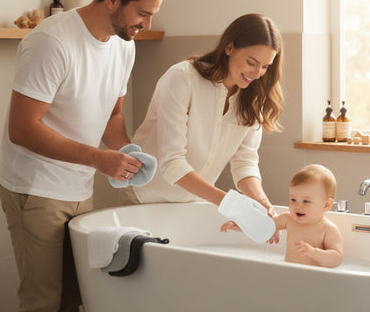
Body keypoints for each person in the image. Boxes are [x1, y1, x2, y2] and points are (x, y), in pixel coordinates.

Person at [0, 0, 173, 312]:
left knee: (73, 301)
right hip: (36, 187)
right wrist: (99, 159)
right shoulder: (51, 41)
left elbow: (111, 114)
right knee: (42, 304)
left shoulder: (123, 46)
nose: (146, 25)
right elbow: (22, 129)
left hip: (79, 188)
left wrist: (126, 153)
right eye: (142, 14)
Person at [118, 13, 284, 234]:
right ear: (229, 47)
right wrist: (234, 206)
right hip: (147, 197)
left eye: (265, 67)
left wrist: (263, 205)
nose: (257, 74)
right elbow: (172, 163)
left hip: (196, 201)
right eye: (251, 62)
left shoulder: (253, 98)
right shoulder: (182, 79)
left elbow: (245, 163)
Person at [221, 164, 344, 268]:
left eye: (306, 201)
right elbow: (262, 226)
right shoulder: (288, 219)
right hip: (287, 272)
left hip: (313, 277)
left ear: (327, 205)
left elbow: (337, 259)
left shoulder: (327, 229)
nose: (297, 206)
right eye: (293, 199)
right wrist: (241, 224)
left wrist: (314, 253)